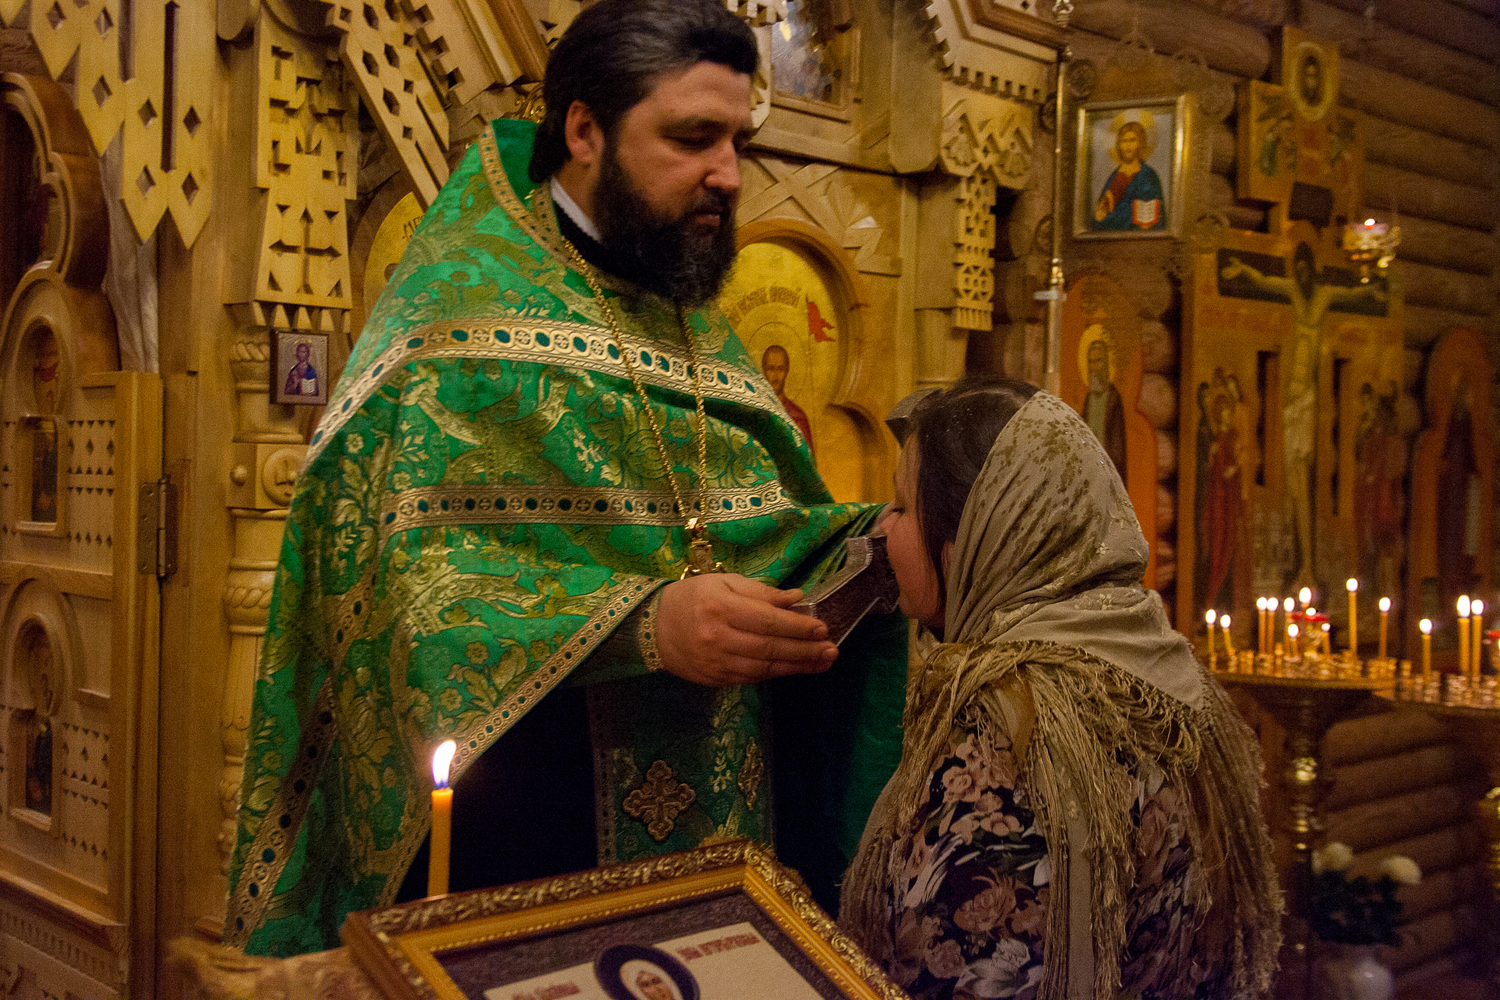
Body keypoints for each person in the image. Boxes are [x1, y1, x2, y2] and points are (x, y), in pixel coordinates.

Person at [224, 0, 906, 956]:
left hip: (716, 831)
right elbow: (405, 597)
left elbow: (761, 524)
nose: (727, 173)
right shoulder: (456, 317)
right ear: (584, 130)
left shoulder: (682, 305)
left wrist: (883, 542)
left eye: (737, 142)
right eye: (693, 138)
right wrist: (645, 625)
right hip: (520, 826)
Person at [841, 379, 1281, 999]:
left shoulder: (1008, 740)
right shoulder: (1166, 668)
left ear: (976, 541)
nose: (882, 528)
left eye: (903, 507)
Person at [1221, 244, 1382, 587]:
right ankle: (1303, 564)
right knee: (1294, 480)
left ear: (1313, 270)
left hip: (1310, 395)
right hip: (1291, 395)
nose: (1302, 274)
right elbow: (1265, 281)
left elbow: (1350, 294)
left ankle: (1308, 564)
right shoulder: (1292, 290)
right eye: (1298, 269)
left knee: (1303, 479)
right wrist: (1243, 270)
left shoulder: (1323, 295)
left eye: (1307, 268)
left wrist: (1372, 288)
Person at [1092, 120, 1164, 231]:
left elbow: (1154, 213)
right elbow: (1100, 213)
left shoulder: (1148, 175)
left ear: (1140, 143)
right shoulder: (1113, 177)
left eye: (1132, 140)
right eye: (1124, 141)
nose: (1128, 145)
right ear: (1119, 145)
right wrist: (1099, 217)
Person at [1080, 331, 1125, 478]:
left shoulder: (1113, 398)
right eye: (1091, 362)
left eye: (1098, 361)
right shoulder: (1088, 398)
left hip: (1106, 470)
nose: (1093, 367)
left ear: (1106, 363)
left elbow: (1117, 447)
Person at [760, 343, 814, 452]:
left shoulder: (798, 418)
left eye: (780, 369)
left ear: (787, 371)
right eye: (771, 369)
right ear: (764, 371)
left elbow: (807, 460)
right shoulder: (756, 412)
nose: (775, 376)